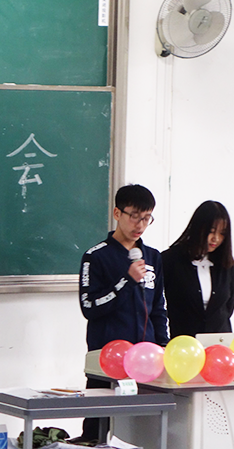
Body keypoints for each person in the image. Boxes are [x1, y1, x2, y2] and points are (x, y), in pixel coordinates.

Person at [73, 184, 169, 443]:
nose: (140, 225)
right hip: (107, 360)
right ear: (117, 213)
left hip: (146, 361)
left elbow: (157, 307)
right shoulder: (96, 257)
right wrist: (126, 281)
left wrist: (163, 345)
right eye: (134, 216)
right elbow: (89, 307)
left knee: (144, 432)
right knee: (98, 433)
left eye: (147, 218)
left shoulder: (153, 257)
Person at [161, 201, 234, 338]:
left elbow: (228, 308)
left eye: (222, 233)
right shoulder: (170, 260)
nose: (216, 239)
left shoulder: (228, 265)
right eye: (211, 231)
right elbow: (157, 305)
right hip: (184, 343)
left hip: (220, 343)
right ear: (198, 228)